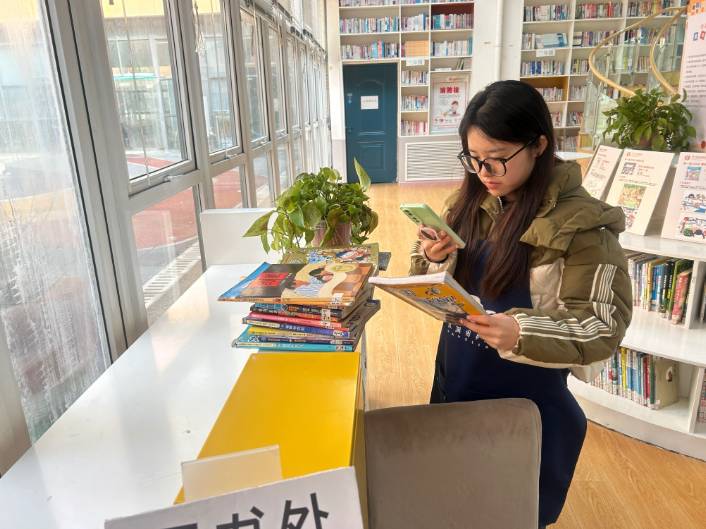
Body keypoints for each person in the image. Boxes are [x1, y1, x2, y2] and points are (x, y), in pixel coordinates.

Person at [409, 80, 632, 528]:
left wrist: (521, 331)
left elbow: (602, 325)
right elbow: (428, 276)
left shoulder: (583, 228)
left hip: (525, 406)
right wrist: (432, 258)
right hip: (456, 381)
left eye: (496, 158)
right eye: (473, 158)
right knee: (453, 496)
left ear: (539, 145)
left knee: (511, 509)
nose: (484, 172)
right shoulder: (469, 203)